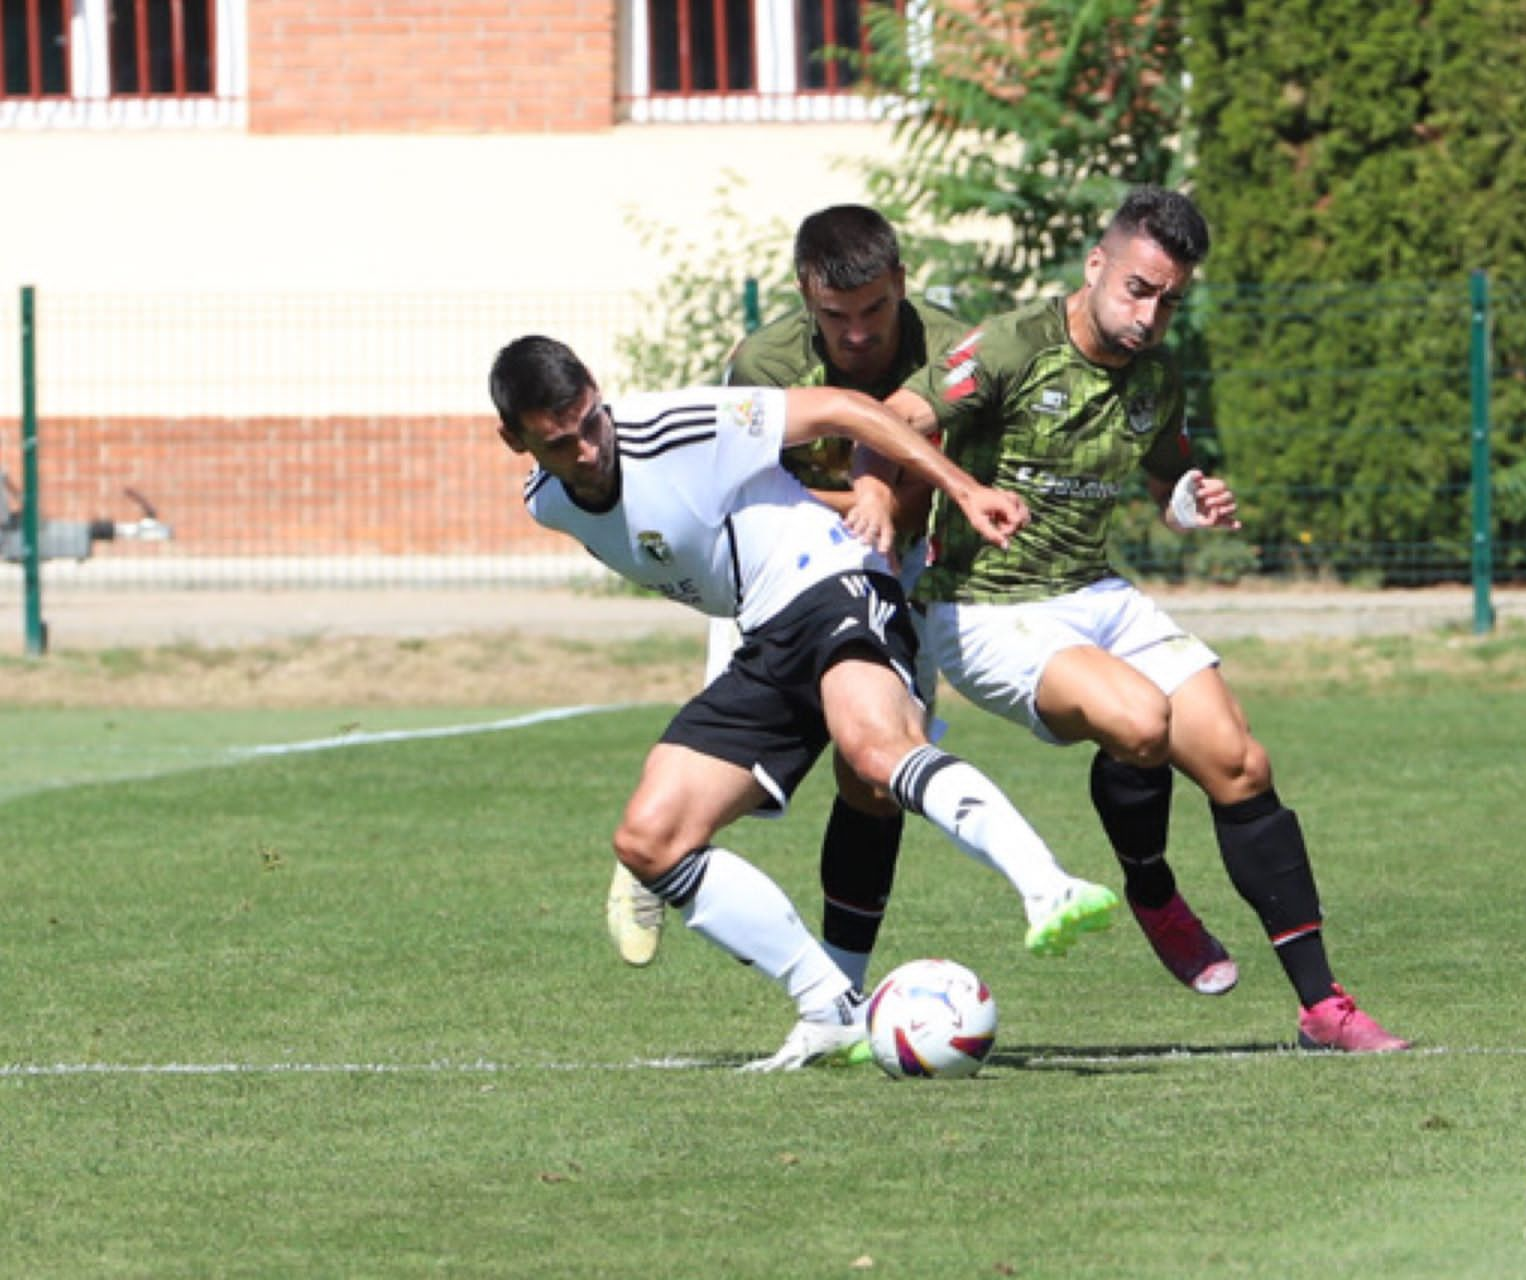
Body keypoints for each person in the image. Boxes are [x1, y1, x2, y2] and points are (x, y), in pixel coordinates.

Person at [489, 334, 1118, 1070]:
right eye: (561, 442)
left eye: (592, 422)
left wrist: (963, 490)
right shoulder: (547, 502)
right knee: (649, 840)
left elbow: (847, 409)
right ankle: (832, 1007)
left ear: (600, 394)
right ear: (516, 440)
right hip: (764, 635)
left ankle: (1047, 886)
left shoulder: (673, 427)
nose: (590, 450)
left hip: (832, 580)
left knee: (875, 753)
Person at [877, 187, 1410, 1051]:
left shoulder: (1157, 381)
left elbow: (1170, 486)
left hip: (1091, 591)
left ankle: (1324, 1008)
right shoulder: (1013, 345)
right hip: (982, 607)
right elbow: (896, 419)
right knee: (1140, 719)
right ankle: (1153, 888)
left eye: (1168, 299)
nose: (1149, 313)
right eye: (1136, 288)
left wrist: (1191, 504)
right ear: (1097, 266)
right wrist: (961, 490)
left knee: (1240, 762)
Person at [605, 204, 972, 990]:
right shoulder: (765, 365)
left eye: (876, 308)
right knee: (721, 779)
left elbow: (911, 513)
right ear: (806, 296)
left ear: (901, 283)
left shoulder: (948, 351)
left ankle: (846, 986)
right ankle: (652, 857)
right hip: (772, 572)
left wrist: (881, 503)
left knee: (875, 775)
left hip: (894, 566)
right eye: (836, 316)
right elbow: (747, 497)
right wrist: (862, 502)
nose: (860, 333)